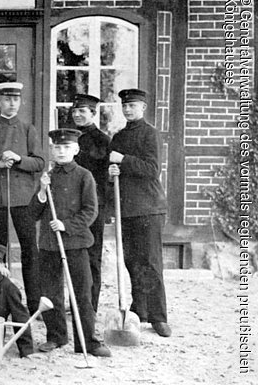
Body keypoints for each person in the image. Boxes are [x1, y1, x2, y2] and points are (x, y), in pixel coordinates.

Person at [29, 128, 111, 357]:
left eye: (66, 147)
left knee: (82, 293)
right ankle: (56, 336)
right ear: (52, 150)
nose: (61, 151)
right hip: (49, 244)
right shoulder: (47, 177)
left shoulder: (85, 175)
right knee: (51, 292)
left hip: (75, 243)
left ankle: (89, 341)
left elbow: (91, 211)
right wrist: (42, 192)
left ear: (76, 150)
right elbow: (33, 213)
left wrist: (66, 225)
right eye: (57, 147)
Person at [0, 82, 44, 315]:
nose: (11, 103)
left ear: (20, 102)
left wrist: (18, 159)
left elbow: (40, 163)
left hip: (24, 199)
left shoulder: (28, 129)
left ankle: (34, 303)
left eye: (15, 99)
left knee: (30, 250)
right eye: (6, 99)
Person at [108, 89, 171, 337]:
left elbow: (152, 169)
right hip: (127, 209)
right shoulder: (118, 137)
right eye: (125, 106)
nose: (128, 109)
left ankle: (158, 317)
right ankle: (140, 310)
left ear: (143, 108)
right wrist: (111, 171)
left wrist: (122, 160)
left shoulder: (150, 134)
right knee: (131, 261)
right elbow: (112, 172)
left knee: (151, 262)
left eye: (132, 105)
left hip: (149, 208)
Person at [71, 94, 110, 312]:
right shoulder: (69, 138)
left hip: (94, 207)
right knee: (73, 254)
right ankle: (75, 302)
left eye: (82, 111)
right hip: (71, 206)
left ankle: (90, 305)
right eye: (75, 111)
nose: (77, 115)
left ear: (93, 114)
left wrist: (107, 209)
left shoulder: (102, 140)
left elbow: (107, 178)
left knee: (92, 255)